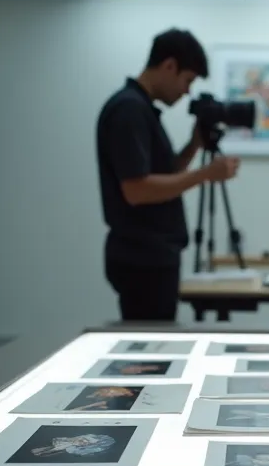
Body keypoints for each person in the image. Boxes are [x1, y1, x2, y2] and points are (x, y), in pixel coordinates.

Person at [96, 28, 241, 321]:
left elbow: (163, 175)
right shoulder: (129, 110)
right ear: (169, 65)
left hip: (150, 256)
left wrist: (194, 145)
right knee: (150, 352)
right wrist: (205, 174)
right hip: (143, 258)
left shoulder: (141, 109)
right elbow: (137, 190)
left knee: (154, 345)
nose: (187, 91)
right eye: (187, 80)